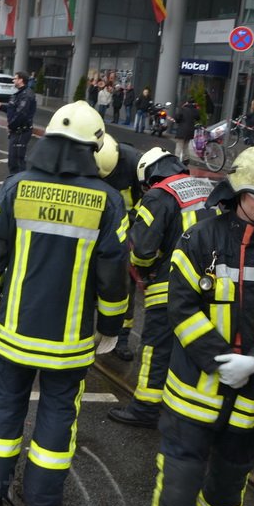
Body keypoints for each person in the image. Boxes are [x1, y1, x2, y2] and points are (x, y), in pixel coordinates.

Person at [0, 101, 128, 506]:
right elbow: (113, 277)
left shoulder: (15, 188)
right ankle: (42, 504)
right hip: (69, 343)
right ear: (93, 149)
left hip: (14, 333)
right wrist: (110, 327)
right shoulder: (109, 202)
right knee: (58, 418)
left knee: (3, 407)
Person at [144, 142, 254, 506]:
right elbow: (181, 309)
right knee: (174, 504)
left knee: (224, 504)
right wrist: (221, 361)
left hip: (251, 406)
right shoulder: (199, 240)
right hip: (193, 400)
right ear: (238, 191)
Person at [107, 147, 218, 427]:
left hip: (172, 284)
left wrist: (146, 267)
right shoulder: (206, 186)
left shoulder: (158, 195)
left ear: (149, 177)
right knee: (196, 343)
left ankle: (145, 407)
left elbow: (142, 252)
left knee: (157, 345)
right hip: (212, 284)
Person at [95, 133, 144, 362]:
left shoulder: (135, 165)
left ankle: (121, 337)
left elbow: (149, 202)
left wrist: (133, 227)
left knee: (125, 286)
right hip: (97, 230)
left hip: (128, 232)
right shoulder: (93, 161)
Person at [0, 71, 36, 175]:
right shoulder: (19, 94)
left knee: (17, 161)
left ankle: (19, 184)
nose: (13, 80)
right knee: (13, 161)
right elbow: (14, 109)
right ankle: (15, 183)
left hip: (21, 132)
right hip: (17, 131)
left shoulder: (26, 95)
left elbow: (21, 114)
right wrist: (1, 106)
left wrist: (11, 126)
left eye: (15, 78)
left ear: (21, 80)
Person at [173, 99, 200, 164]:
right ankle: (186, 160)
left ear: (187, 102)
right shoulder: (195, 110)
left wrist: (177, 121)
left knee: (179, 145)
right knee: (185, 146)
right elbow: (198, 118)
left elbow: (177, 117)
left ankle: (176, 161)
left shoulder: (183, 109)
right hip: (190, 131)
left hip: (182, 130)